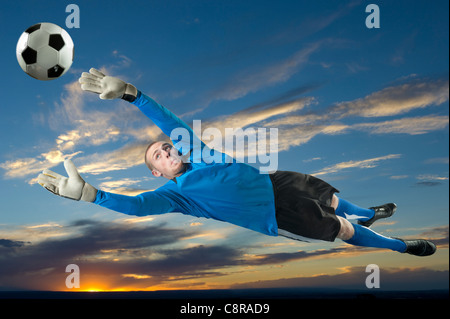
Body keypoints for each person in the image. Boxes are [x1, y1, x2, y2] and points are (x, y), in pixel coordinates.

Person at [37, 68, 436, 257]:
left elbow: (170, 123)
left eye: (165, 146)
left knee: (329, 195)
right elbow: (137, 206)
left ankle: (371, 213)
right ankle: (399, 246)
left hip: (271, 179)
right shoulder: (176, 195)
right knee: (343, 228)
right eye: (158, 155)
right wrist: (92, 194)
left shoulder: (195, 151)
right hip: (272, 215)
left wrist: (131, 93)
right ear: (157, 172)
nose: (167, 150)